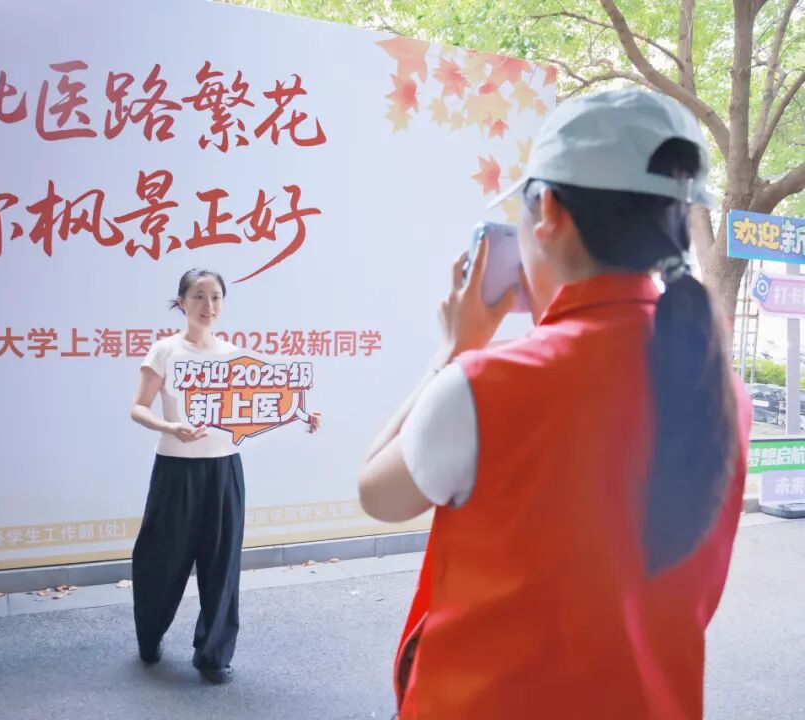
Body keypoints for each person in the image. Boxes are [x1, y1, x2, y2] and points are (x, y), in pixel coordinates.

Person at [357, 88, 751, 718]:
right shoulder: (720, 388)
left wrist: (453, 351)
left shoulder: (483, 386)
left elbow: (376, 493)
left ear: (547, 212)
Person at [130, 268, 321, 685]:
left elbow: (261, 404)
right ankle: (150, 636)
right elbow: (138, 408)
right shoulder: (165, 351)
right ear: (182, 301)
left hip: (224, 469)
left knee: (222, 564)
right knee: (161, 560)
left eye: (215, 297)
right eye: (199, 296)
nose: (208, 306)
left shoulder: (233, 355)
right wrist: (170, 427)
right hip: (176, 471)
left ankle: (213, 655)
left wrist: (302, 416)